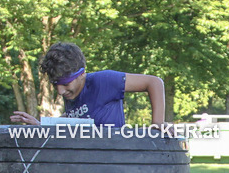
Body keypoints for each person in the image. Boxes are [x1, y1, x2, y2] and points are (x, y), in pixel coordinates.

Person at [10, 42, 166, 126]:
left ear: (81, 74)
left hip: (114, 161)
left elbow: (154, 82)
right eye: (55, 84)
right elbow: (75, 117)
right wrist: (41, 125)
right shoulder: (70, 93)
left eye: (65, 83)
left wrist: (158, 123)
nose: (60, 91)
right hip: (88, 162)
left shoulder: (104, 81)